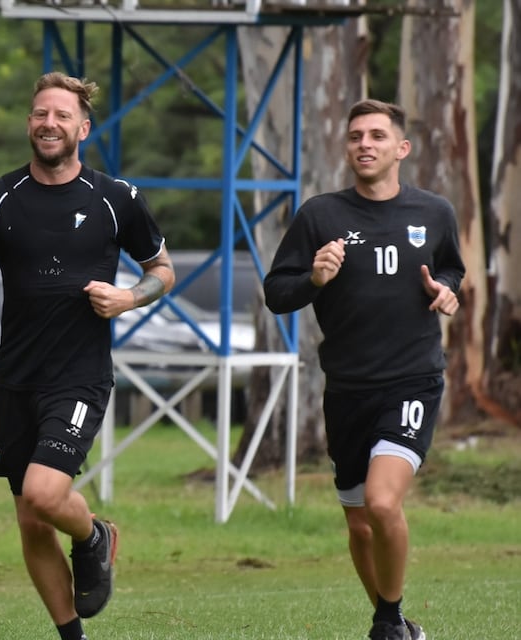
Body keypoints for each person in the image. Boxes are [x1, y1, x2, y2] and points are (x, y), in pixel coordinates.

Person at [0, 71, 175, 640]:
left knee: (45, 495)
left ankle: (94, 536)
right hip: (16, 378)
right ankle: (72, 636)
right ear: (29, 123)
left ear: (83, 129)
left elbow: (162, 271)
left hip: (79, 376)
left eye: (62, 115)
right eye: (41, 114)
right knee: (30, 518)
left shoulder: (116, 198)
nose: (49, 123)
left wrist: (128, 297)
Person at [264, 99, 464, 640]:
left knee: (381, 501)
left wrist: (447, 291)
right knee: (358, 520)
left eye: (377, 135)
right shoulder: (319, 216)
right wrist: (315, 279)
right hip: (347, 389)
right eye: (355, 136)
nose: (364, 144)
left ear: (401, 148)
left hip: (413, 380)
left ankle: (387, 622)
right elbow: (277, 293)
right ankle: (397, 621)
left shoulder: (434, 212)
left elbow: (452, 268)